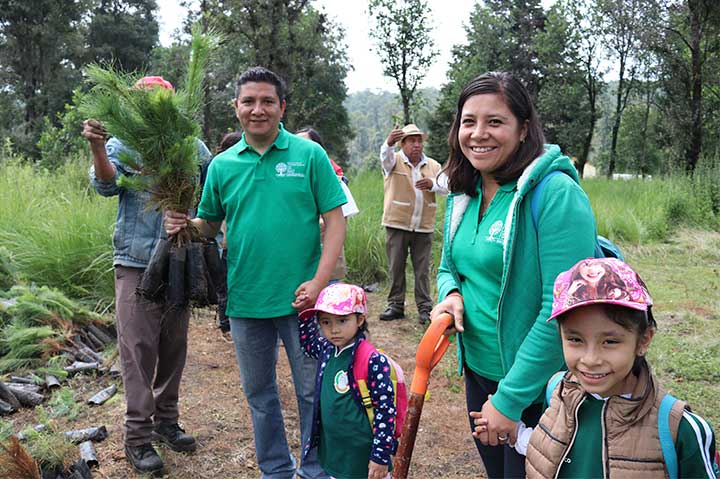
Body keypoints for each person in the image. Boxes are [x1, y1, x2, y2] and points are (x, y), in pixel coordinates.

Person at [164, 66, 346, 479]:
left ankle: (315, 468)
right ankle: (276, 469)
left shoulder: (309, 155)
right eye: (249, 101)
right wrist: (184, 224)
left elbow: (336, 221)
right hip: (246, 299)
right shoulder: (223, 166)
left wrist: (320, 283)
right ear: (236, 108)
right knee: (260, 394)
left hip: (304, 301)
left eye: (267, 101)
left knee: (311, 390)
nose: (258, 109)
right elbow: (209, 224)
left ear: (282, 107)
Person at [429, 71, 597, 478]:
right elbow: (449, 266)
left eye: (495, 121)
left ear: (524, 129)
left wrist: (510, 400)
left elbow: (562, 308)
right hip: (480, 375)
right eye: (469, 121)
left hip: (540, 388)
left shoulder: (555, 194)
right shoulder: (463, 192)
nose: (478, 133)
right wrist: (450, 294)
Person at [476, 257, 720, 478]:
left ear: (643, 339)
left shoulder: (679, 429)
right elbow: (558, 447)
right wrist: (517, 433)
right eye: (575, 339)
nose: (590, 359)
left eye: (610, 342)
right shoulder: (557, 391)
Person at [83, 76, 211, 476]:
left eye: (160, 99)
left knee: (174, 345)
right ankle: (137, 437)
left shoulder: (192, 146)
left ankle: (166, 421)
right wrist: (97, 145)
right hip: (136, 261)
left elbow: (213, 190)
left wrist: (193, 219)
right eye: (144, 100)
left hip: (178, 259)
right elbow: (106, 185)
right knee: (137, 349)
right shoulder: (123, 144)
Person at [298, 283, 396, 479]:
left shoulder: (372, 360)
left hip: (364, 456)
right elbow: (307, 344)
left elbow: (385, 410)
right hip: (337, 452)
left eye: (342, 321)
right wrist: (304, 313)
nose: (334, 330)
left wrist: (380, 456)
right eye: (325, 322)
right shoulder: (327, 349)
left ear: (360, 319)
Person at [379, 123, 448, 325]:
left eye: (419, 140)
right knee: (396, 267)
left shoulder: (433, 165)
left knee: (422, 269)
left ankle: (425, 308)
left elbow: (446, 187)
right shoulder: (394, 160)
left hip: (423, 225)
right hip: (397, 222)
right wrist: (388, 143)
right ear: (403, 143)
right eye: (411, 141)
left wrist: (432, 184)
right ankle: (396, 306)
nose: (417, 145)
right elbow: (385, 158)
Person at [296, 126, 359, 283]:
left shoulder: (335, 183)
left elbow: (339, 224)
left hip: (328, 269)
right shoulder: (286, 184)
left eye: (306, 145)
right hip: (295, 268)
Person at [204, 131, 243, 341]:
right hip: (223, 242)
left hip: (226, 242)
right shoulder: (219, 168)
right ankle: (226, 325)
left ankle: (227, 325)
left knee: (225, 285)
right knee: (224, 286)